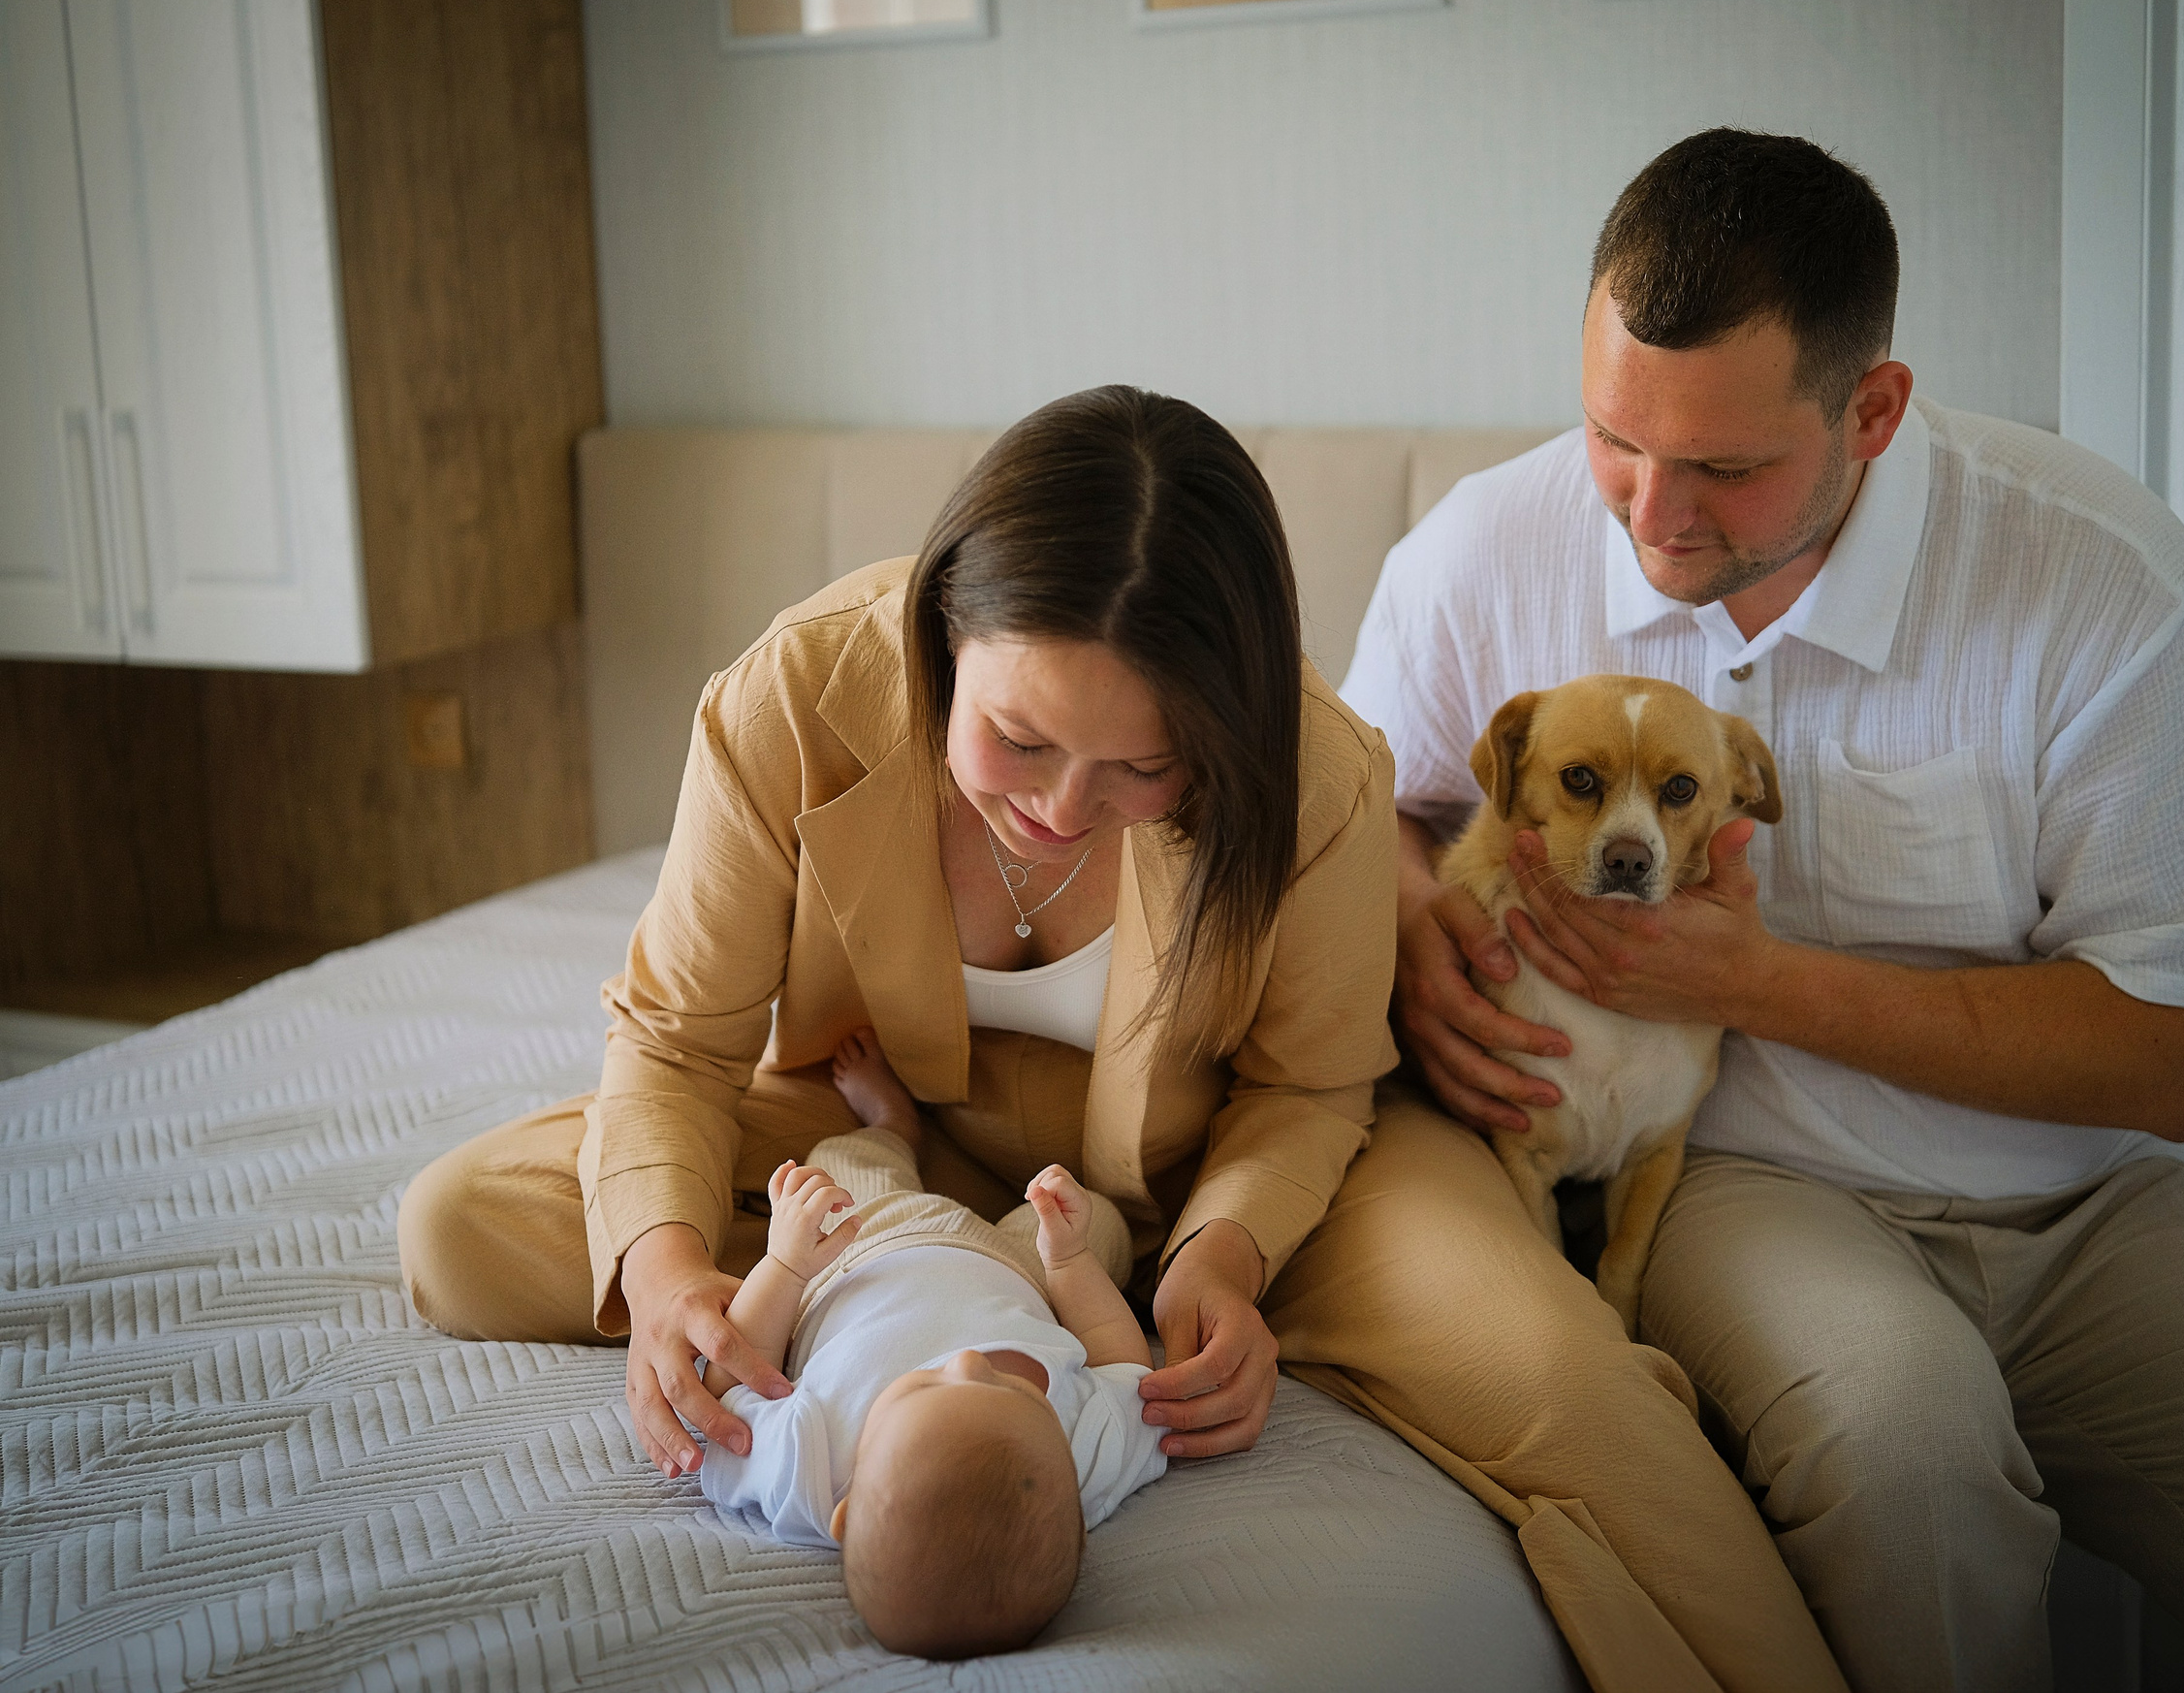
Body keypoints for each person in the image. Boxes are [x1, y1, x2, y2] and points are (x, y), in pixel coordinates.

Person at [397, 383, 1845, 1690]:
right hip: (873, 1153)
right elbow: (674, 1037)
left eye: (1144, 766)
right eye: (1018, 742)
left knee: (1563, 1383)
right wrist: (666, 1278)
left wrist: (1224, 1255)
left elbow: (1308, 1088)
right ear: (944, 633)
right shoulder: (795, 696)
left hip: (1214, 1173)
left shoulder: (1321, 775)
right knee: (464, 1227)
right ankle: (941, 1267)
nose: (1058, 808)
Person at [1342, 127, 2184, 1693]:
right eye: (1615, 436)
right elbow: (1356, 803)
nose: (1651, 513)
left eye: (1726, 467)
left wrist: (1754, 981)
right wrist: (1421, 928)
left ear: (1873, 410)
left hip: (2100, 1202)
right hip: (1752, 1185)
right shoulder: (1484, 549)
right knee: (1907, 1471)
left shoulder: (2100, 577)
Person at [696, 1031, 1164, 1658]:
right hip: (1028, 1270)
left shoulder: (808, 1464)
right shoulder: (1082, 1462)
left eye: (922, 1386)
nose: (967, 1360)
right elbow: (1125, 1365)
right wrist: (1071, 1260)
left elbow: (729, 1384)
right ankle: (1031, 1211)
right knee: (1102, 1219)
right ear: (1078, 1517)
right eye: (1015, 1390)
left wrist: (783, 1266)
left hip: (868, 1246)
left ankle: (892, 1125)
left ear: (846, 1512)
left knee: (837, 1166)